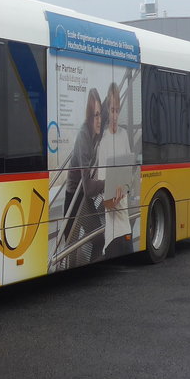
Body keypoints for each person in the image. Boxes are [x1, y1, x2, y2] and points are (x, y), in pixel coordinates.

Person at [63, 87, 105, 261]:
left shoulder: (95, 132)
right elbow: (88, 188)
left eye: (100, 114)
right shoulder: (83, 137)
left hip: (82, 197)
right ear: (89, 117)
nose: (99, 120)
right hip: (74, 197)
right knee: (70, 249)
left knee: (98, 238)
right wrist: (107, 183)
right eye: (95, 115)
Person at [99, 81, 134, 258]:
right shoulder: (103, 141)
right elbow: (104, 201)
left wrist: (127, 187)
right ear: (107, 110)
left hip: (125, 227)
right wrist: (114, 198)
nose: (115, 116)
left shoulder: (123, 136)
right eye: (112, 110)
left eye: (117, 111)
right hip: (113, 236)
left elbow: (130, 176)